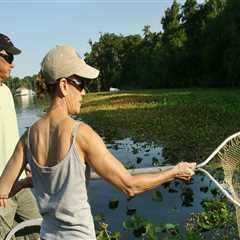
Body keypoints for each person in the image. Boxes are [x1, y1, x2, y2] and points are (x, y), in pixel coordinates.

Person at [0, 45, 196, 240]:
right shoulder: (81, 134)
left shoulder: (28, 138)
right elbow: (130, 186)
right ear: (63, 86)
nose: (84, 92)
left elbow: (3, 190)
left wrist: (28, 181)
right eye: (81, 84)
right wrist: (175, 172)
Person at [0, 33, 40, 240]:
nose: (13, 65)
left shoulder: (6, 91)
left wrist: (22, 163)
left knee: (38, 232)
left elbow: (9, 138)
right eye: (10, 58)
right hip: (1, 191)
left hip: (20, 182)